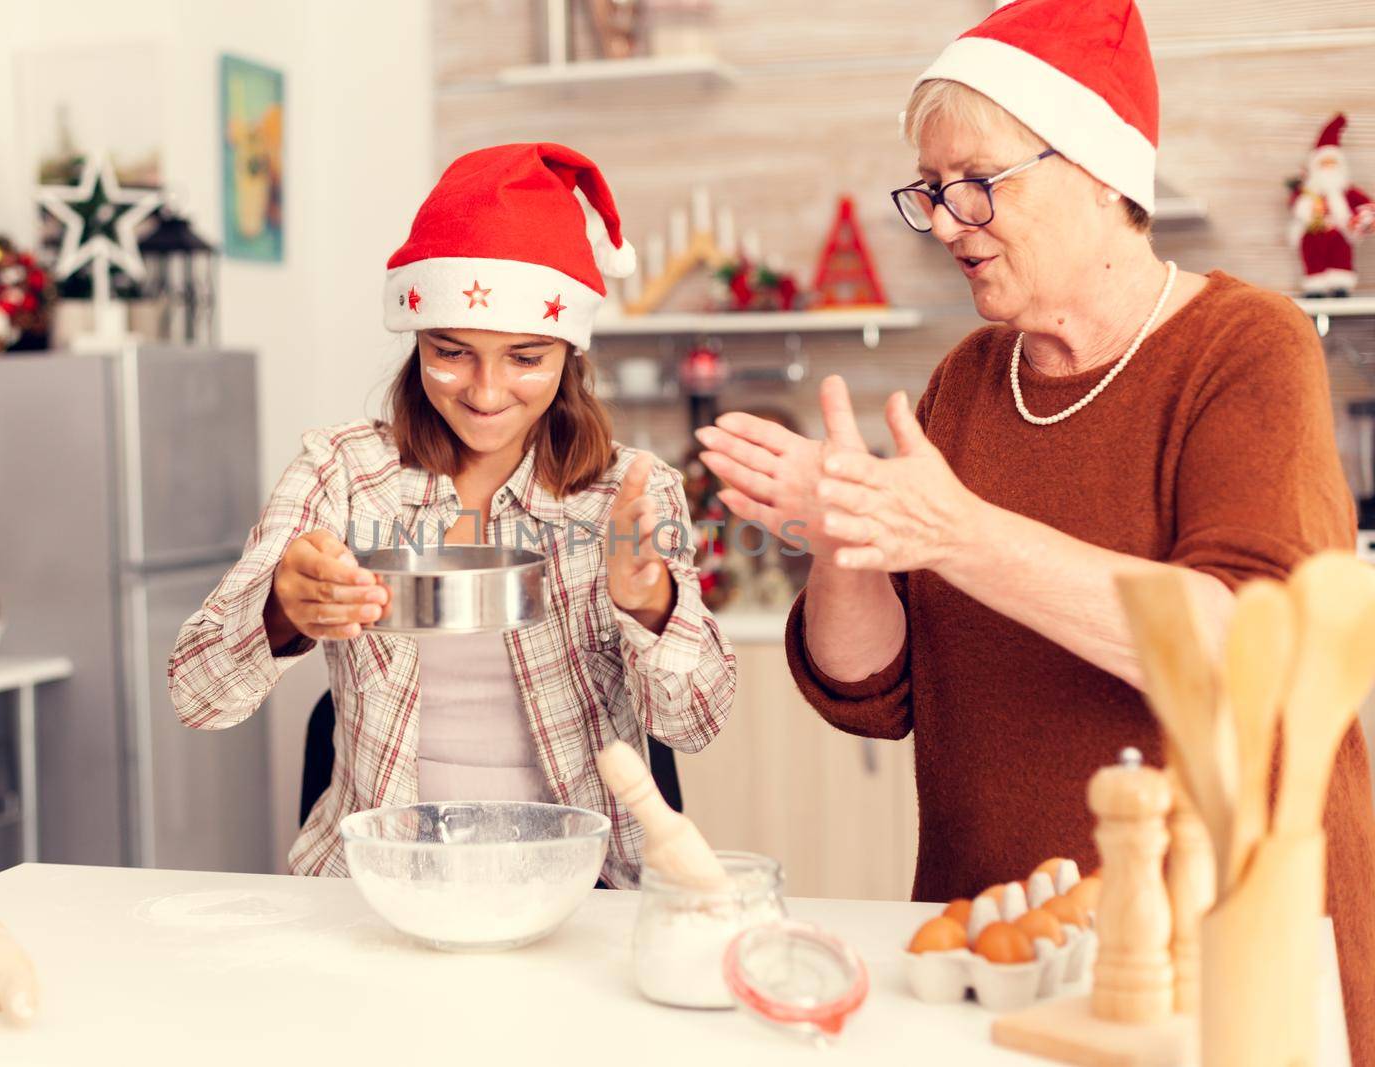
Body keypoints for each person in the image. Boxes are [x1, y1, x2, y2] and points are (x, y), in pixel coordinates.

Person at [695, 0, 1375, 1057]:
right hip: (991, 950)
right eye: (927, 191)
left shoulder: (1245, 346)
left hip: (1214, 956)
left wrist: (954, 531)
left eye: (974, 182)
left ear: (1099, 170)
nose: (946, 219)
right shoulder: (965, 383)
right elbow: (877, 694)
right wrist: (847, 542)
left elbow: (1247, 642)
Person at [169, 143, 736, 888]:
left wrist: (651, 603)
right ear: (416, 339)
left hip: (581, 890)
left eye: (526, 357)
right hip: (381, 885)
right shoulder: (341, 472)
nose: (487, 391)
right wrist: (282, 606)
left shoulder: (629, 489)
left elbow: (694, 722)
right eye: (452, 351)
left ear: (571, 351)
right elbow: (196, 693)